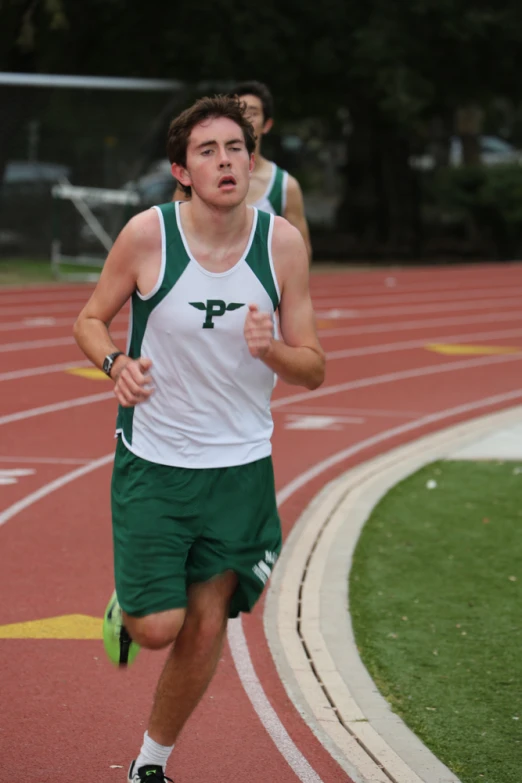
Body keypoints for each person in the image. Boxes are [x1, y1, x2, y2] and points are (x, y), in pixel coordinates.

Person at [73, 94, 325, 783]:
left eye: (235, 149)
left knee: (208, 625)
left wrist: (271, 351)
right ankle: (132, 604)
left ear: (253, 160)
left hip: (240, 466)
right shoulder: (147, 236)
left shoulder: (281, 244)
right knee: (159, 628)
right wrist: (115, 364)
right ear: (182, 170)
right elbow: (90, 318)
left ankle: (149, 765)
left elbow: (316, 367)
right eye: (207, 151)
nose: (224, 161)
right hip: (156, 459)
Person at [172, 80, 313, 261]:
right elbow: (174, 236)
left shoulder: (286, 186)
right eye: (239, 111)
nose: (245, 118)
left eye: (253, 113)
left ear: (267, 124)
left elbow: (302, 253)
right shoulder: (196, 177)